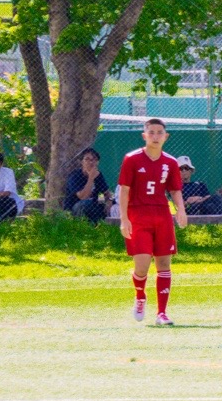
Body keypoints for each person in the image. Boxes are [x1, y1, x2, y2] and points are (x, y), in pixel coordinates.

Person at [117, 119, 186, 327]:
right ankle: (140, 295)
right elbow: (124, 190)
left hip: (162, 217)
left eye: (159, 132)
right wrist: (124, 219)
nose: (155, 136)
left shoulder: (170, 162)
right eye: (151, 132)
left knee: (164, 264)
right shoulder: (132, 159)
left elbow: (175, 189)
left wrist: (180, 210)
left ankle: (162, 313)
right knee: (142, 266)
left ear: (166, 136)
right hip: (138, 216)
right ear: (144, 135)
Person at [62, 149, 111, 223]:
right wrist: (91, 177)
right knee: (84, 204)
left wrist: (108, 201)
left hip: (93, 205)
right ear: (82, 162)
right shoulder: (75, 175)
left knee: (104, 204)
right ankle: (79, 226)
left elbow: (104, 193)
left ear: (97, 162)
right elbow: (83, 197)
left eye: (94, 159)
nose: (91, 162)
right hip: (75, 208)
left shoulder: (98, 175)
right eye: (87, 159)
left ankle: (98, 226)